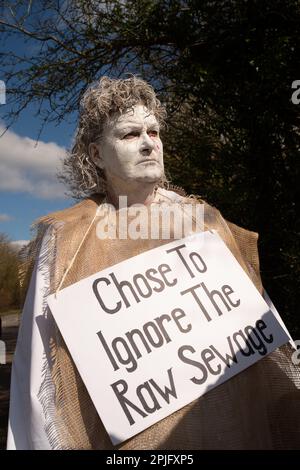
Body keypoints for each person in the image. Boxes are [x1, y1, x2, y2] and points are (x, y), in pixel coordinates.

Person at [7, 76, 300, 450]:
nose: (149, 144)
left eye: (154, 132)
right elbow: (40, 370)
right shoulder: (68, 237)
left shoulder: (202, 219)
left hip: (233, 426)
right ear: (97, 154)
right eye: (130, 135)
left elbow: (258, 320)